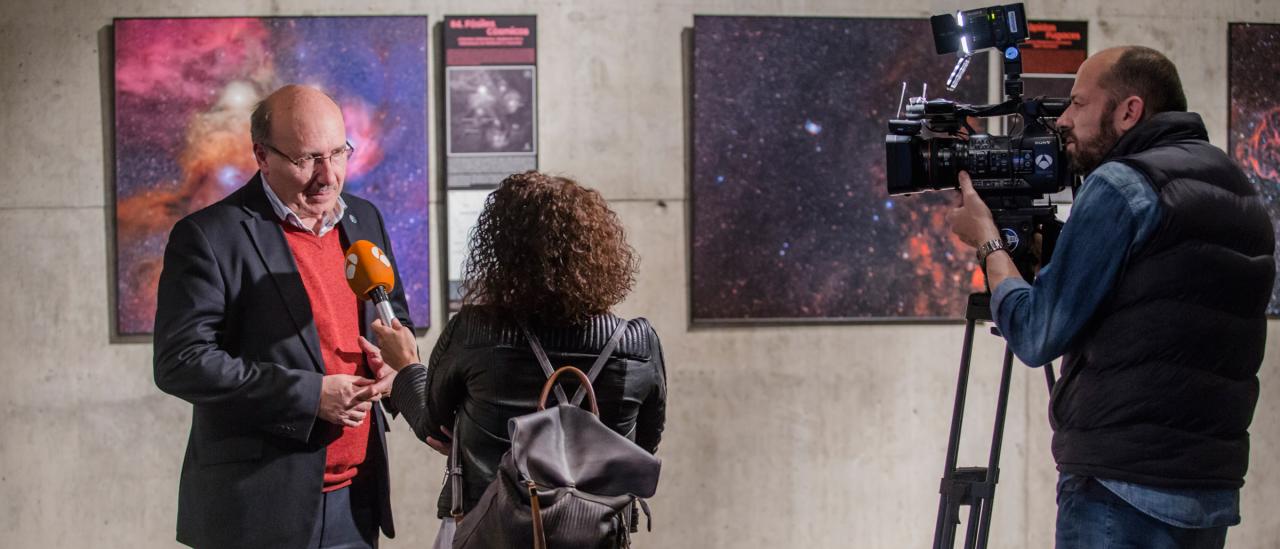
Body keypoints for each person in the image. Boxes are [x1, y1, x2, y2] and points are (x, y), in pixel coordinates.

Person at [948, 46, 1275, 548]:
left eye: (1078, 103)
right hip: (1208, 492)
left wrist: (989, 240)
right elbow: (1159, 302)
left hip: (1119, 490)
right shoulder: (1240, 190)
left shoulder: (1122, 186)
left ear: (1129, 111)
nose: (1063, 120)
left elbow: (1036, 336)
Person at [153, 85, 414, 549]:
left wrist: (395, 365)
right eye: (306, 159)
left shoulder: (365, 219)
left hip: (357, 499)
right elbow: (182, 361)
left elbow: (396, 317)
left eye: (338, 153)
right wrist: (309, 395)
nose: (328, 175)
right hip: (256, 510)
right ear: (262, 155)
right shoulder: (209, 236)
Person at [370, 171, 668, 548]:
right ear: (601, 250)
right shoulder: (637, 343)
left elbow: (433, 425)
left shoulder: (475, 331)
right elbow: (641, 447)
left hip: (486, 529)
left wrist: (406, 367)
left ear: (502, 251)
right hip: (596, 537)